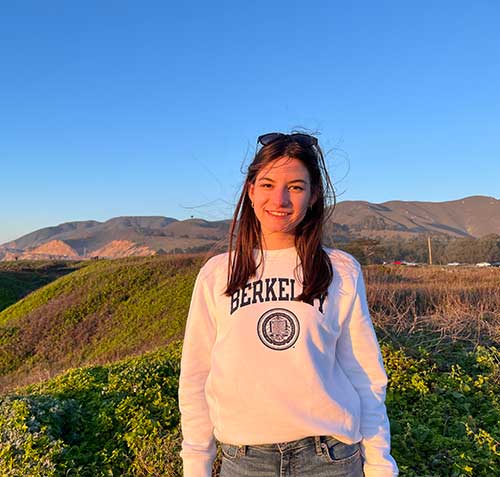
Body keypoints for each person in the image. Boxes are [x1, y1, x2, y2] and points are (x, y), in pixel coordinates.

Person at [179, 132, 399, 477]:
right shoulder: (217, 274)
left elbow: (365, 374)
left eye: (295, 187)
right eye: (267, 185)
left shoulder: (339, 269)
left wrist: (379, 462)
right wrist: (196, 465)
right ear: (250, 191)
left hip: (330, 460)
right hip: (244, 462)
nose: (279, 199)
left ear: (313, 196)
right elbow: (195, 378)